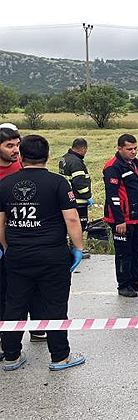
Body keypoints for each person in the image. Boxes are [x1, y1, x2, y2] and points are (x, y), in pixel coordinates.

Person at [0, 134, 86, 371]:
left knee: (14, 305)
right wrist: (78, 248)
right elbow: (71, 219)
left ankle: (11, 356)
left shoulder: (5, 185)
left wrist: (7, 247)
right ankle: (60, 357)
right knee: (55, 305)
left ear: (22, 156)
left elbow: (0, 222)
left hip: (18, 255)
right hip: (52, 255)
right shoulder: (58, 183)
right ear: (47, 156)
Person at [0, 124, 47, 346]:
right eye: (9, 146)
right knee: (7, 292)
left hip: (23, 236)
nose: (16, 150)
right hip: (3, 240)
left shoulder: (21, 167)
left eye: (17, 145)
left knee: (34, 287)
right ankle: (6, 336)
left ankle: (38, 328)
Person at [103, 134, 138, 298]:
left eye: (135, 148)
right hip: (121, 219)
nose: (133, 152)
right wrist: (119, 220)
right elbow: (112, 196)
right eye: (129, 149)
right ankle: (124, 285)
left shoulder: (136, 163)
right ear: (119, 148)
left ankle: (136, 280)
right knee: (123, 253)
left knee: (136, 250)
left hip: (136, 217)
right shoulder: (113, 167)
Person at [59, 139, 93, 259]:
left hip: (68, 198)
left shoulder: (64, 158)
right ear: (83, 149)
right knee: (79, 225)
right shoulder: (76, 162)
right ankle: (76, 248)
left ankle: (70, 247)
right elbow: (79, 182)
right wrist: (87, 196)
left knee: (68, 225)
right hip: (78, 200)